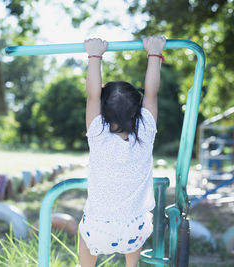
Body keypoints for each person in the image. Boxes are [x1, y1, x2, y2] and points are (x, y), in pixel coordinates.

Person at [78, 36, 166, 267]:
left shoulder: (97, 134)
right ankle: (131, 265)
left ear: (102, 112)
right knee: (134, 225)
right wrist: (154, 52)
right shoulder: (145, 134)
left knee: (85, 237)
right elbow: (151, 93)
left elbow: (92, 95)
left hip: (97, 228)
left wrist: (95, 55)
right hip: (133, 230)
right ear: (138, 111)